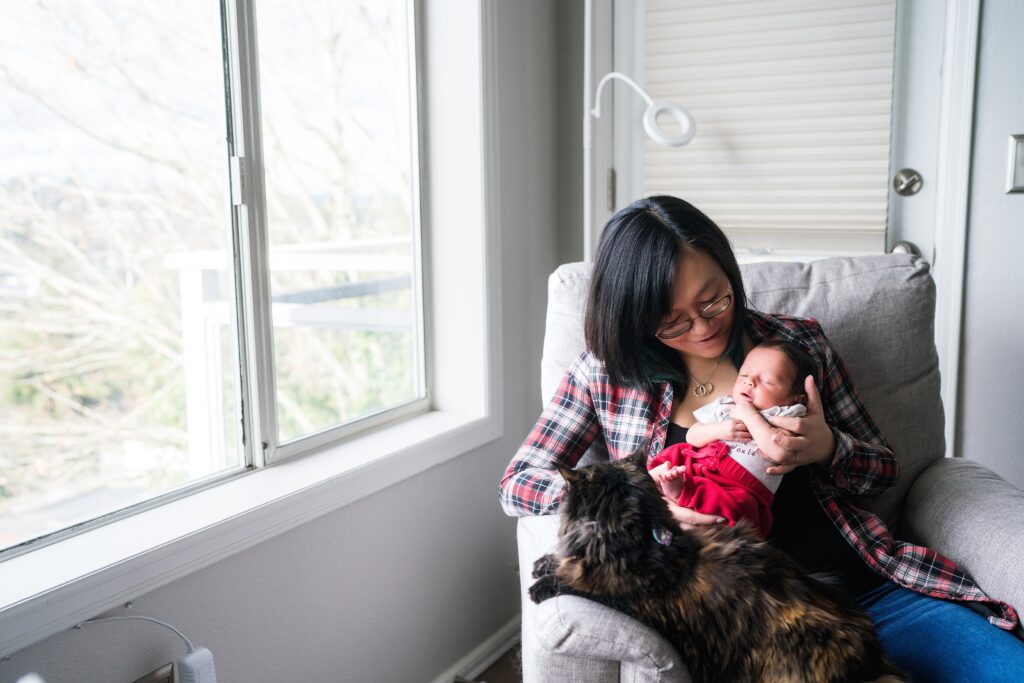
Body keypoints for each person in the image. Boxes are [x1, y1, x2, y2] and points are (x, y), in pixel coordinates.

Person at [499, 195, 1024, 681]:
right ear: (636, 319)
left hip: (866, 591)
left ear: (730, 273)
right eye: (672, 322)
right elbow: (518, 484)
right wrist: (641, 501)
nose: (703, 329)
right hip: (744, 624)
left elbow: (884, 469)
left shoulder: (796, 344)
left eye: (714, 301)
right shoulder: (605, 373)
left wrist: (828, 448)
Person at [647, 341, 814, 537]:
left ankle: (682, 492)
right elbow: (693, 435)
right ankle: (660, 481)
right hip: (703, 465)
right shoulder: (726, 404)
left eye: (767, 381)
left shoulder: (788, 415)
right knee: (678, 450)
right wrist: (718, 430)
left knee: (737, 505)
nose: (749, 382)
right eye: (744, 375)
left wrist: (751, 417)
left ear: (796, 398)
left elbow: (780, 452)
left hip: (740, 485)